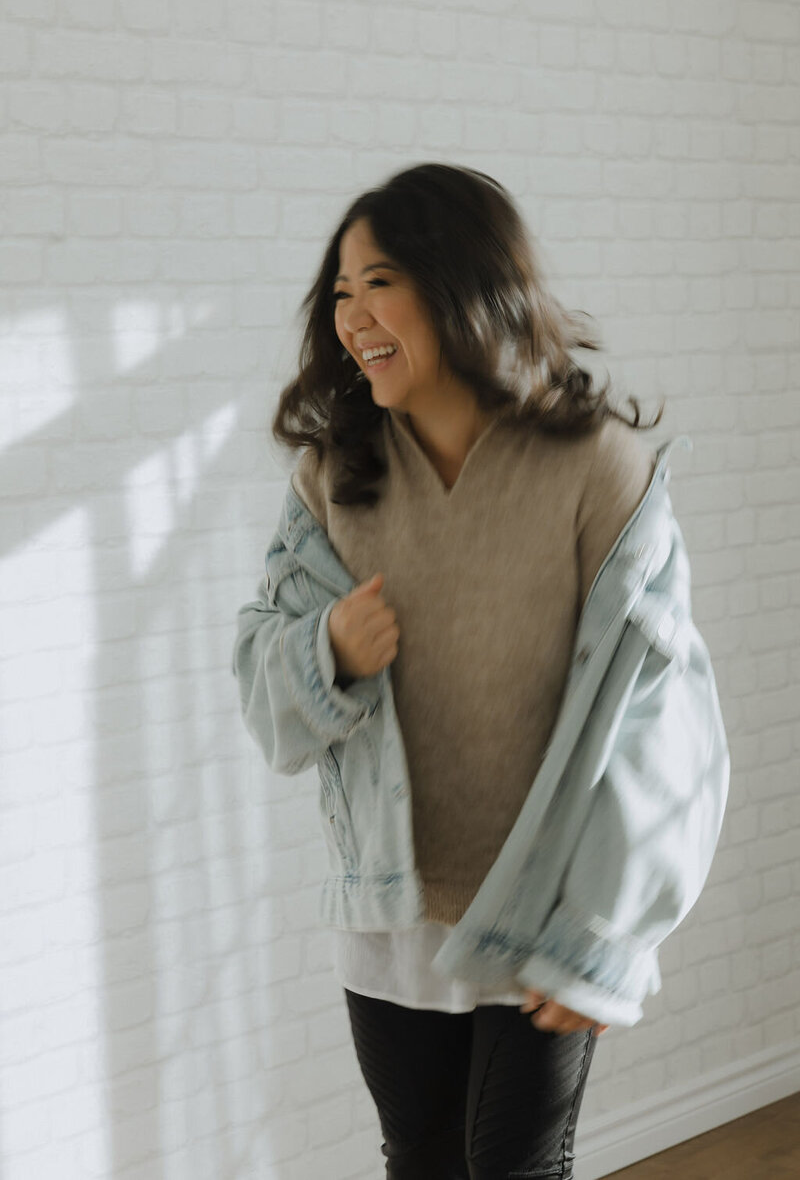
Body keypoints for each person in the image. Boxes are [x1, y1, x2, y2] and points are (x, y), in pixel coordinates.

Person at [233, 163, 729, 1179]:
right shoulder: (336, 474)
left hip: (545, 903)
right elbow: (259, 666)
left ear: (461, 284)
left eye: (376, 282)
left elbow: (661, 715)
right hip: (391, 904)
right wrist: (325, 646)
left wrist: (605, 931)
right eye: (338, 291)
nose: (349, 316)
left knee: (511, 1165)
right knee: (417, 1157)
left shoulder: (593, 464)